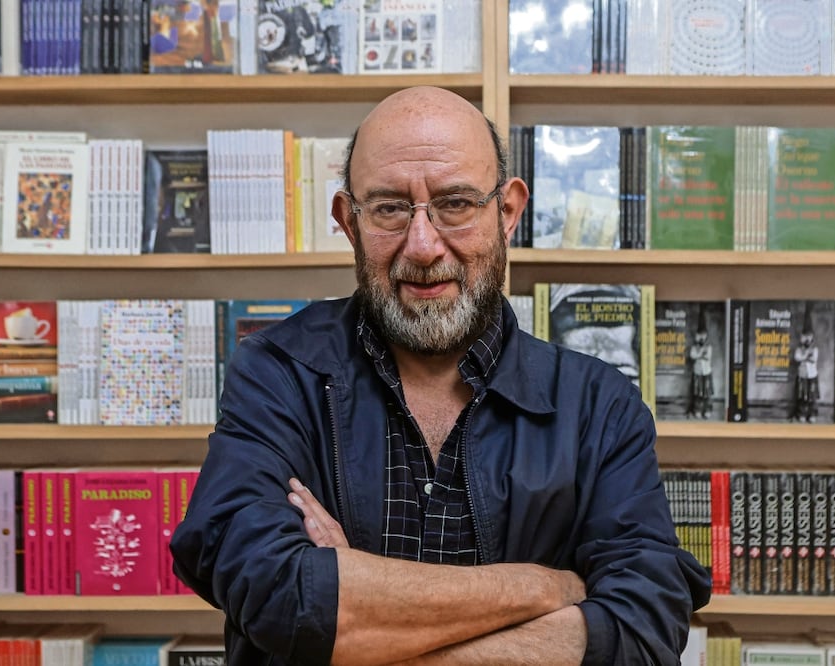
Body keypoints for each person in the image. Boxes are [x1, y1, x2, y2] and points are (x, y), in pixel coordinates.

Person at [170, 86, 710, 665]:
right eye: (389, 208)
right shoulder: (278, 373)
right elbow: (276, 593)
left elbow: (642, 634)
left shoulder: (600, 407)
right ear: (349, 221)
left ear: (507, 213)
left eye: (455, 204)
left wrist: (358, 613)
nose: (423, 247)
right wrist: (544, 588)